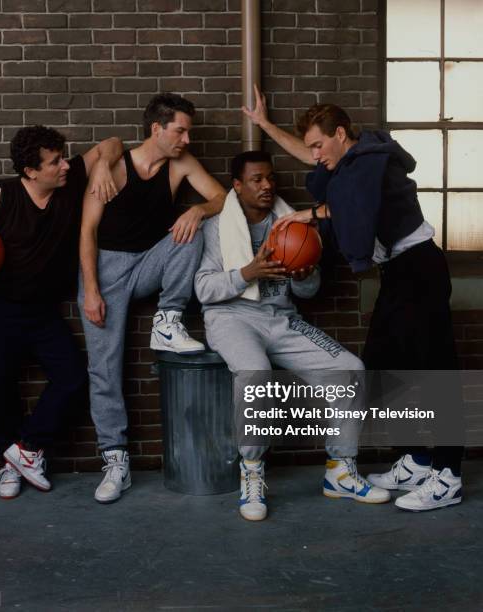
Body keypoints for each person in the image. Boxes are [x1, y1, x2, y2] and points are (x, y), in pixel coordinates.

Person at [243, 85, 464, 512]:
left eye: (319, 144)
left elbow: (356, 205)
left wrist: (313, 213)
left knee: (435, 369)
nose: (314, 155)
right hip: (397, 274)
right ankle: (417, 460)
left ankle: (449, 474)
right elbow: (316, 161)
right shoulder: (349, 158)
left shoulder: (370, 163)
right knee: (384, 363)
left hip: (420, 268)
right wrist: (266, 125)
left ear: (341, 134)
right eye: (310, 146)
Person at [194, 150, 390, 521]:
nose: (267, 185)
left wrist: (305, 277)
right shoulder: (216, 227)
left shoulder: (292, 224)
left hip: (281, 319)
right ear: (237, 186)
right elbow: (203, 289)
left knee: (350, 368)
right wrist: (248, 272)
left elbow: (308, 292)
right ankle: (251, 471)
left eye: (270, 178)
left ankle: (340, 471)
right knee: (256, 376)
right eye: (256, 179)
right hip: (231, 318)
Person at [0, 125, 124, 499]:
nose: (66, 165)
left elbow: (113, 144)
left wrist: (102, 165)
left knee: (71, 378)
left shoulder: (70, 182)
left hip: (41, 308)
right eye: (55, 162)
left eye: (64, 156)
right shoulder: (0, 195)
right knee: (0, 384)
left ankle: (27, 449)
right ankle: (8, 463)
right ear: (31, 171)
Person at [78, 93, 226, 504]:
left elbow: (224, 198)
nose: (186, 139)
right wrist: (90, 289)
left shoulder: (181, 165)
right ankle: (115, 459)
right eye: (180, 130)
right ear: (156, 128)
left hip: (148, 262)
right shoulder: (115, 168)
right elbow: (87, 232)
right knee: (104, 368)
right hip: (105, 271)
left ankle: (168, 322)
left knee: (189, 229)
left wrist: (197, 210)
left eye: (189, 131)